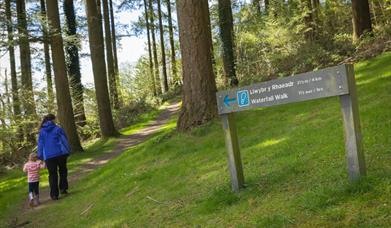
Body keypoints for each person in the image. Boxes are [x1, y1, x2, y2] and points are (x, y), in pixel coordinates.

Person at [37, 114, 71, 200]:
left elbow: (40, 145)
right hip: (60, 154)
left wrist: (40, 157)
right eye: (55, 119)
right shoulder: (58, 129)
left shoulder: (42, 132)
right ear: (53, 120)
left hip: (49, 156)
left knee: (52, 175)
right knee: (63, 171)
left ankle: (54, 195)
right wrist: (68, 150)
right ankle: (63, 188)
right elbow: (64, 140)